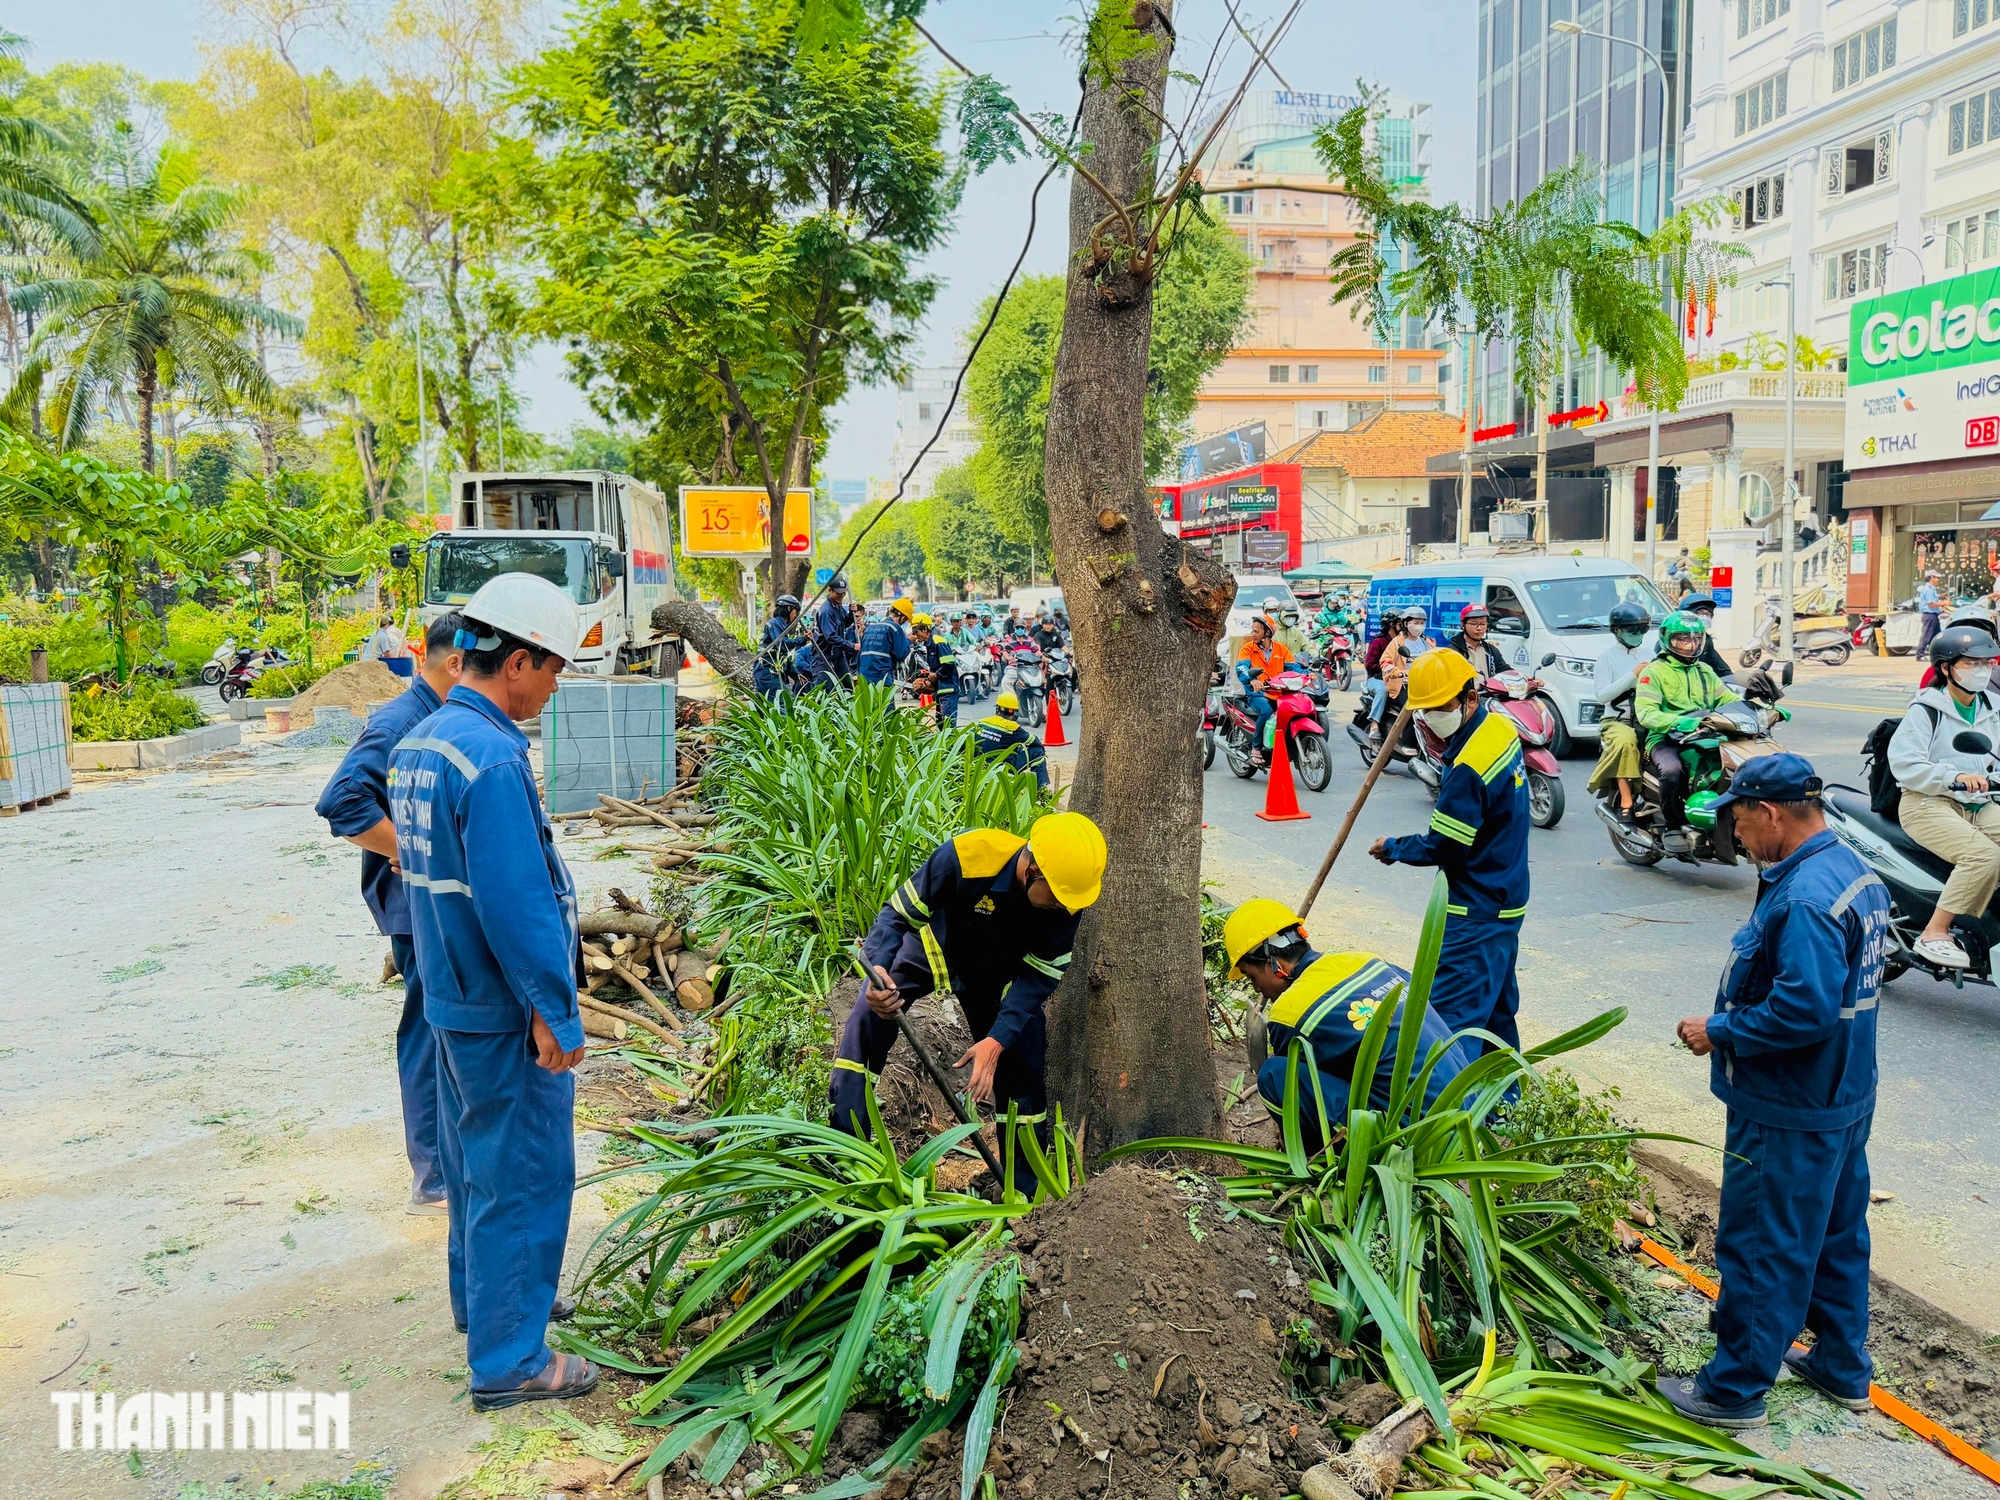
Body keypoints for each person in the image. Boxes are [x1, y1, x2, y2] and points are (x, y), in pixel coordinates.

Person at [388, 574, 597, 1413]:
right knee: (526, 1171)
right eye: (553, 670)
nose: (553, 687)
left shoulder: (425, 742)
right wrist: (554, 1009)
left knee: (478, 1165)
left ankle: (489, 1307)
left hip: (452, 994)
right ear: (517, 661)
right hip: (503, 1009)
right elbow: (516, 903)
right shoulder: (495, 759)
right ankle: (511, 1359)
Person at [1661, 753, 1888, 1429]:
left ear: (1770, 813)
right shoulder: (1848, 868)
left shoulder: (1806, 898)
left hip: (1789, 1105)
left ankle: (1733, 1392)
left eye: (1739, 819)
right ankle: (1843, 1368)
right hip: (1842, 1097)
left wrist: (1719, 1031)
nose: (1737, 835)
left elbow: (1804, 1011)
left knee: (1765, 1243)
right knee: (1834, 1236)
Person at [831, 813, 1107, 1191]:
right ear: (1033, 870)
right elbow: (896, 915)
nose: (1066, 909)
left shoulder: (1067, 899)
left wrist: (996, 1041)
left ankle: (1021, 1187)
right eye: (1059, 899)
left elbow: (1042, 974)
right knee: (867, 1015)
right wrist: (877, 971)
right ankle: (845, 1148)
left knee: (1023, 1056)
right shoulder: (967, 857)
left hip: (999, 974)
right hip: (937, 947)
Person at [314, 612, 467, 1215]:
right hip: (413, 904)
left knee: (442, 1030)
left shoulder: (439, 719)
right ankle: (431, 1175)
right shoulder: (400, 721)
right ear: (455, 663)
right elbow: (340, 800)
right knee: (428, 1034)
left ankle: (443, 1163)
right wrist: (413, 852)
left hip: (431, 901)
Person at [1368, 650, 1531, 1050]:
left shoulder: (1468, 769)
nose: (1431, 717)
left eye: (1441, 707)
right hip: (1507, 898)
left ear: (1470, 698)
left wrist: (1393, 847)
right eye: (1424, 710)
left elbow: (1445, 845)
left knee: (1452, 1024)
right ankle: (1506, 1106)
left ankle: (1456, 1109)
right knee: (1495, 1012)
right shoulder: (1499, 729)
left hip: (1475, 911)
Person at [1223, 900, 1471, 1153]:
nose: (1256, 989)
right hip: (1468, 1115)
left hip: (1418, 1140)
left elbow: (1298, 1094)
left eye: (1251, 976)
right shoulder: (1367, 961)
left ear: (1274, 965)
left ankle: (1319, 1163)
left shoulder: (1290, 1012)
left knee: (1275, 1075)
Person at [1888, 626, 2000, 968]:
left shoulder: (1993, 708)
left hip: (1980, 804)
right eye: (1971, 663)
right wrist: (1954, 777)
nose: (1981, 669)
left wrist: (1989, 779)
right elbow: (1905, 763)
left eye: (1986, 662)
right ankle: (1935, 931)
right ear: (1947, 668)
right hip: (1927, 802)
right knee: (1984, 855)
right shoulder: (1926, 710)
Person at [1635, 611, 1740, 848]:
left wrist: (1760, 709)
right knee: (1672, 771)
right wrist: (1678, 721)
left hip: (1704, 735)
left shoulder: (1704, 671)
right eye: (1682, 638)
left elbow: (1728, 700)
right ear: (1667, 639)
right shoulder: (1654, 672)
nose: (1690, 644)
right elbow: (1646, 713)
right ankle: (1672, 825)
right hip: (1665, 738)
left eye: (1695, 638)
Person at [1588, 600, 1654, 826]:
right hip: (1618, 719)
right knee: (1626, 743)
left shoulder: (1651, 654)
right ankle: (1626, 801)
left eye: (1642, 629)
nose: (1638, 634)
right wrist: (1632, 676)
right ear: (1616, 631)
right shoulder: (1607, 658)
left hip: (1648, 715)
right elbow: (1601, 696)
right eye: (1632, 629)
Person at [1235, 613, 1297, 763]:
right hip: (1257, 694)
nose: (1252, 634)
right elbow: (1241, 668)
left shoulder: (1281, 649)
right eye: (1252, 631)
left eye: (1256, 631)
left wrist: (1309, 674)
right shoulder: (1247, 648)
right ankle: (1256, 748)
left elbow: (1294, 668)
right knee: (1266, 711)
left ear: (1267, 633)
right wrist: (1252, 679)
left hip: (1278, 692)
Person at [973, 691, 1048, 788]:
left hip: (979, 766)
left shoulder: (982, 722)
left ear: (997, 708)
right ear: (1013, 712)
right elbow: (1035, 741)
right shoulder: (1012, 728)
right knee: (1038, 752)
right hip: (1002, 769)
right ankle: (1041, 789)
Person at [908, 613, 960, 727]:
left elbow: (949, 663)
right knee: (940, 723)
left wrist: (936, 675)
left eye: (917, 632)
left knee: (948, 724)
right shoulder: (928, 644)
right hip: (941, 690)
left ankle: (951, 744)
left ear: (925, 629)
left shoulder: (938, 641)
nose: (916, 636)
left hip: (948, 689)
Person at [752, 594, 802, 698]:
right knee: (781, 706)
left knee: (764, 709)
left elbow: (782, 657)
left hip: (769, 673)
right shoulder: (774, 624)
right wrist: (803, 639)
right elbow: (782, 645)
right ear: (789, 609)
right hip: (768, 673)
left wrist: (795, 674)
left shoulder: (781, 627)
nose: (795, 615)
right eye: (795, 611)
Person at [1675, 595, 1734, 679]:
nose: (1704, 617)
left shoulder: (1706, 640)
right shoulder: (1669, 639)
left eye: (1707, 614)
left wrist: (1734, 683)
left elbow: (1721, 669)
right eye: (1699, 613)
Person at [858, 597, 915, 685]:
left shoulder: (870, 628)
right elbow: (901, 654)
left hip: (864, 678)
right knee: (884, 699)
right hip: (882, 679)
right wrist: (909, 640)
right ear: (903, 618)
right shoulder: (894, 628)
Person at [814, 576, 858, 683]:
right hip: (825, 657)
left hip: (838, 655)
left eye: (843, 593)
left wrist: (851, 615)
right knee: (826, 691)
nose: (842, 596)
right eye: (839, 593)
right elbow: (831, 636)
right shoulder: (826, 611)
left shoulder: (837, 606)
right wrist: (852, 646)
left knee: (848, 687)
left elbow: (843, 624)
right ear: (830, 591)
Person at [1448, 603, 1509, 680]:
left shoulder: (1491, 650)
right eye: (1474, 624)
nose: (1479, 628)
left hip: (1487, 691)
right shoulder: (1453, 652)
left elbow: (1504, 670)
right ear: (1463, 625)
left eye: (1483, 624)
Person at [1918, 571, 1945, 657]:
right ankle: (1920, 654)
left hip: (1933, 615)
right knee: (1927, 635)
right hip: (1929, 615)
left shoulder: (1931, 589)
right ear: (1932, 578)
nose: (1938, 580)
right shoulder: (1928, 590)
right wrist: (1944, 603)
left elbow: (1934, 599)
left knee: (1937, 636)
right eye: (1937, 578)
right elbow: (1931, 604)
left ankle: (1938, 654)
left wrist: (1940, 597)